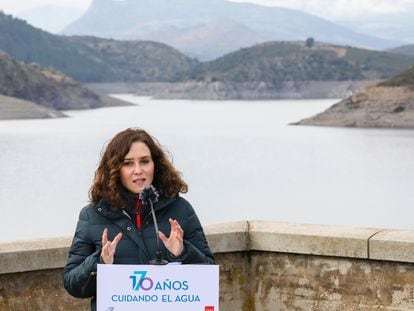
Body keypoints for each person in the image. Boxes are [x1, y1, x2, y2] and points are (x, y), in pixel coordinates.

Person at [63, 128, 215, 310]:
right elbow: (73, 284)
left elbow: (208, 274)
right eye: (128, 163)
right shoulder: (92, 215)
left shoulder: (180, 209)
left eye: (145, 161)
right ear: (115, 169)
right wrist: (101, 262)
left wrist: (183, 251)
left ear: (155, 164)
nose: (138, 170)